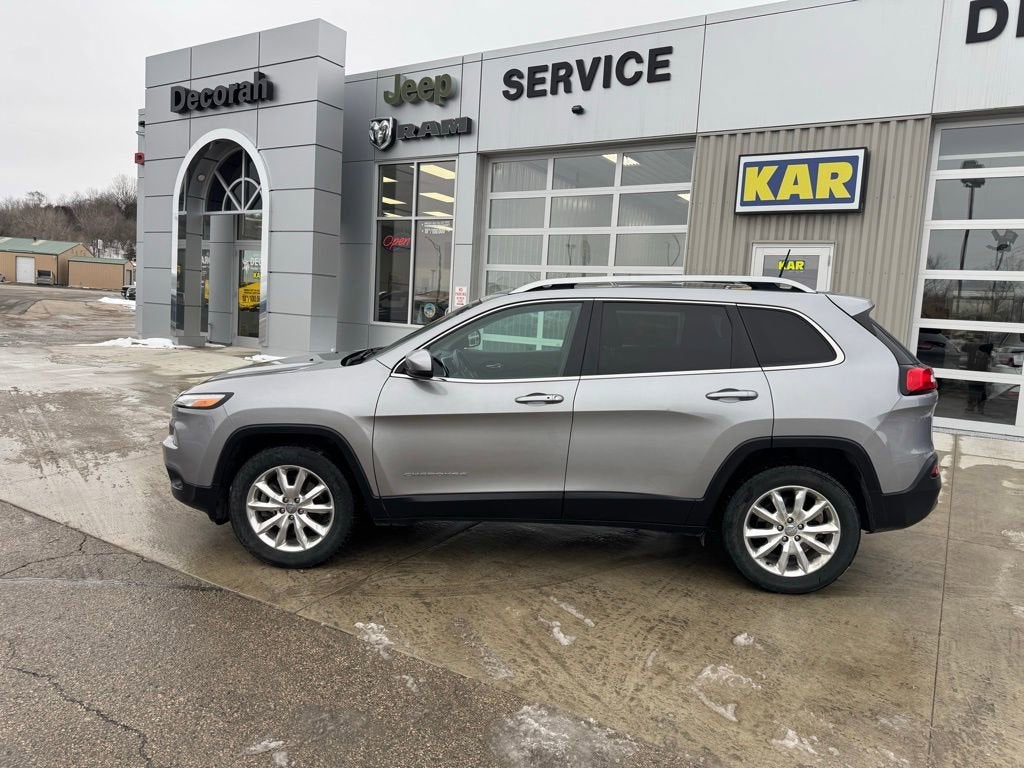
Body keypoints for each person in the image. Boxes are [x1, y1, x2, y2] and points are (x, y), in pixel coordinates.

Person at [965, 342, 994, 414]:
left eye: (980, 351)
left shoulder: (986, 358)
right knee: (973, 390)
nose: (979, 352)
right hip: (975, 377)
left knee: (980, 392)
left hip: (980, 378)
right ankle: (972, 406)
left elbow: (987, 368)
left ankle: (977, 407)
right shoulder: (980, 356)